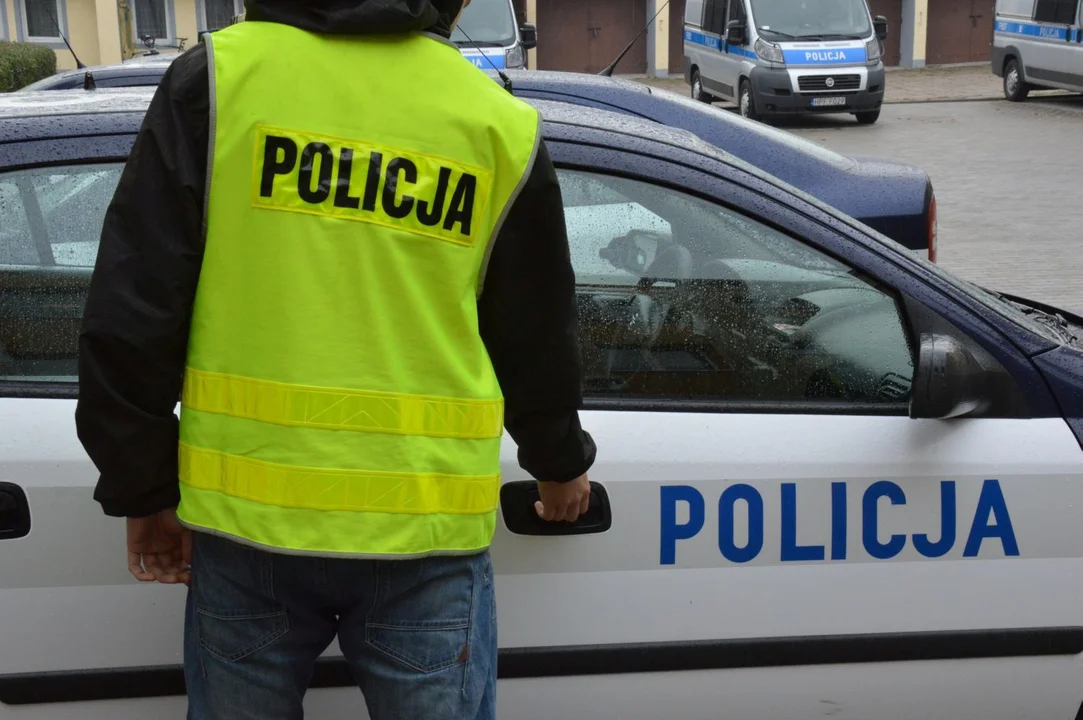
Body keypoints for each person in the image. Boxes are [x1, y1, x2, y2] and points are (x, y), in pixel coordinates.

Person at [73, 1, 597, 718]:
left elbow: (134, 304)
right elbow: (532, 324)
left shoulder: (220, 80)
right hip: (423, 529)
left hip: (247, 526)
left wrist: (142, 486)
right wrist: (557, 459)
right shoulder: (493, 120)